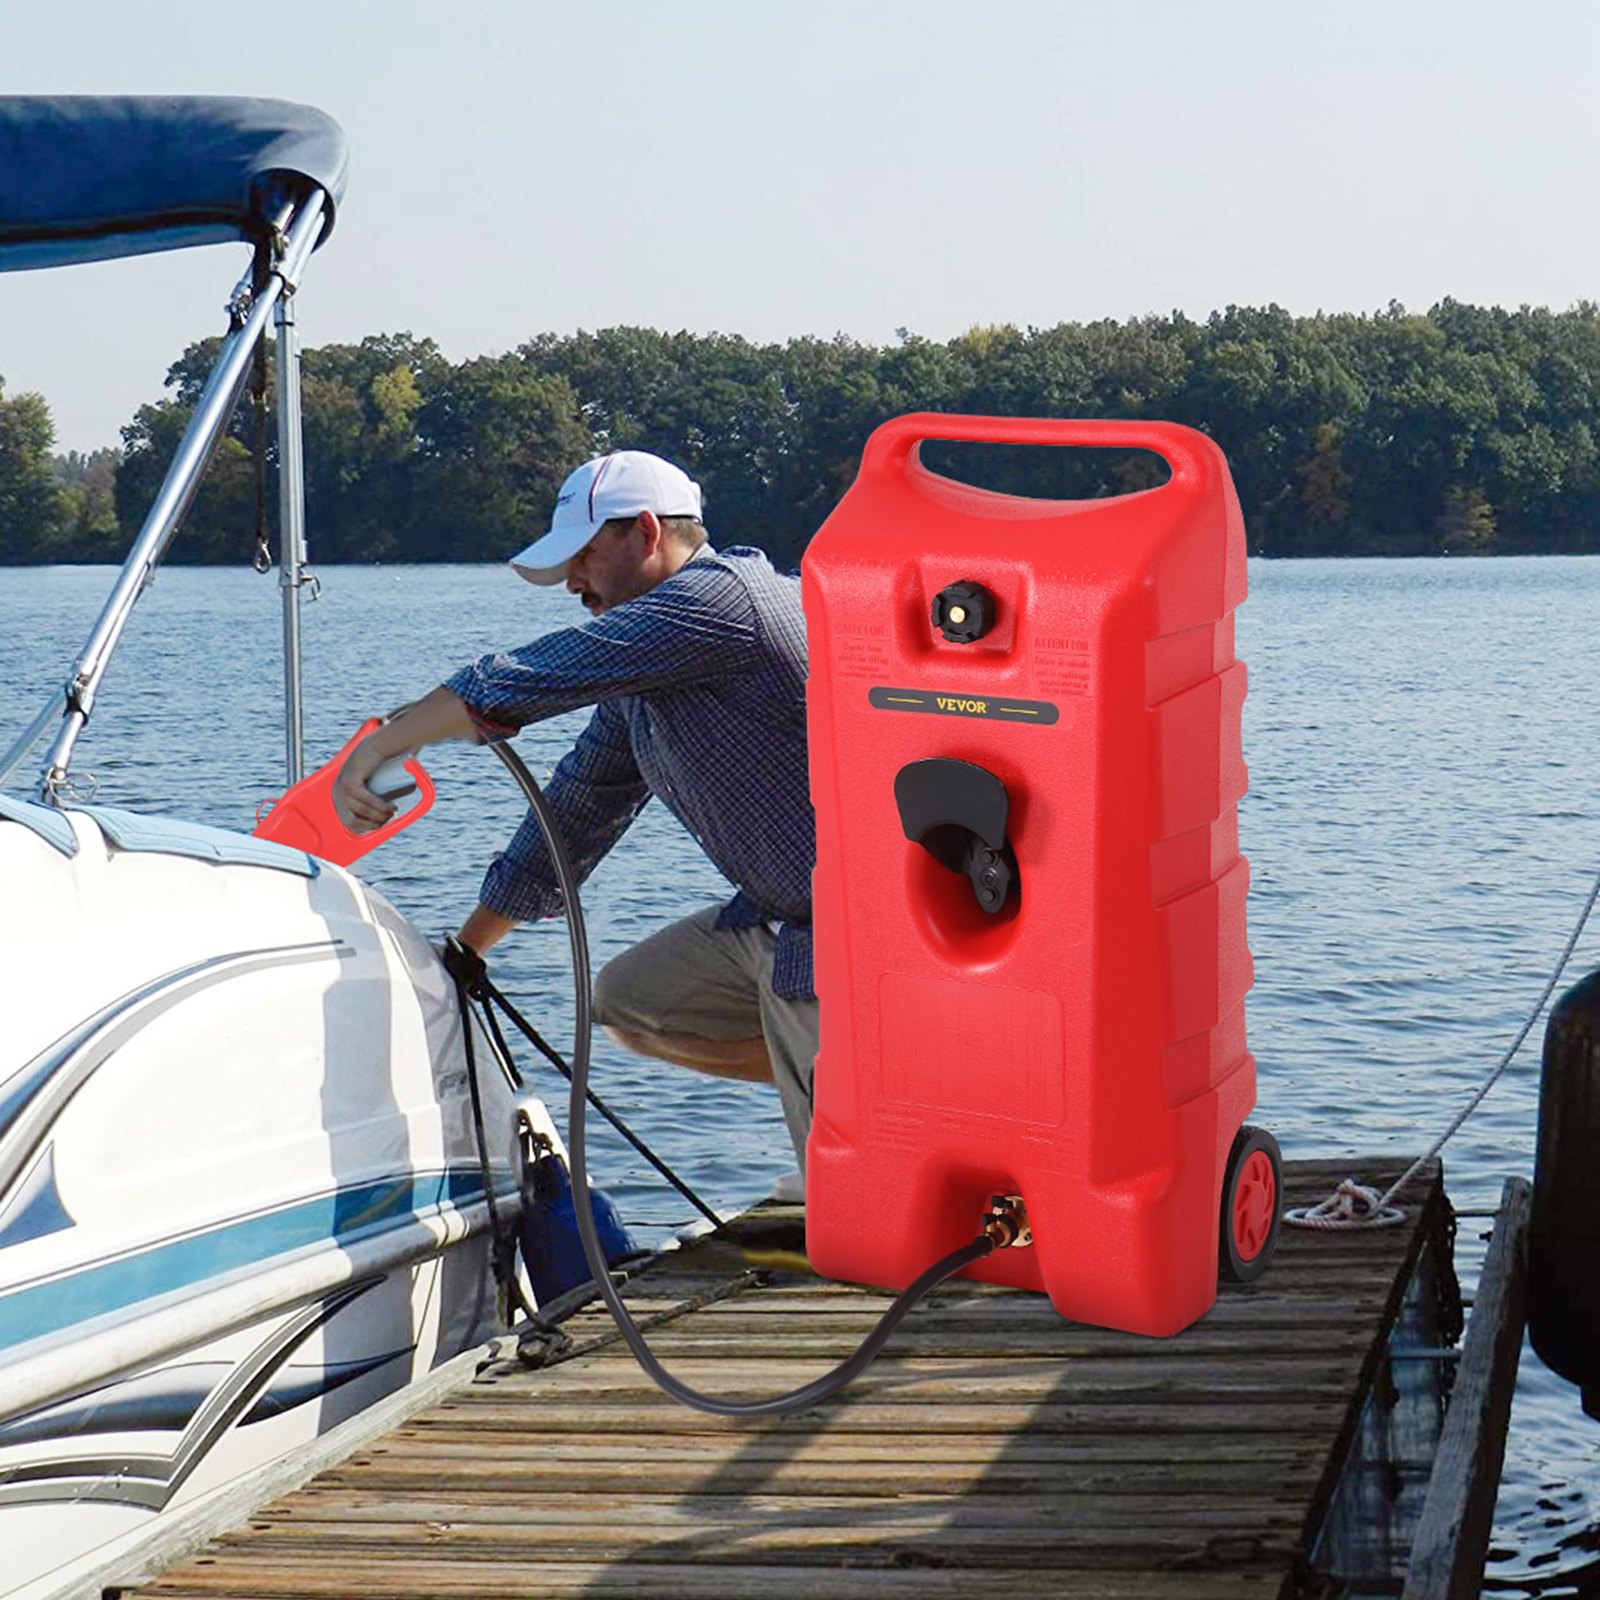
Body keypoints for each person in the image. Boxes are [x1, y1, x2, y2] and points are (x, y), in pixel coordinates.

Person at [332, 450, 817, 1190]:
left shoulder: (721, 603)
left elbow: (522, 680)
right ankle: (841, 1090)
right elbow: (577, 811)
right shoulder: (650, 669)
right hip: (781, 918)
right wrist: (469, 948)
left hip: (854, 931)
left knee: (859, 1227)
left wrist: (379, 745)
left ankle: (864, 1116)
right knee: (630, 1002)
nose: (573, 583)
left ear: (647, 532)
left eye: (584, 556)